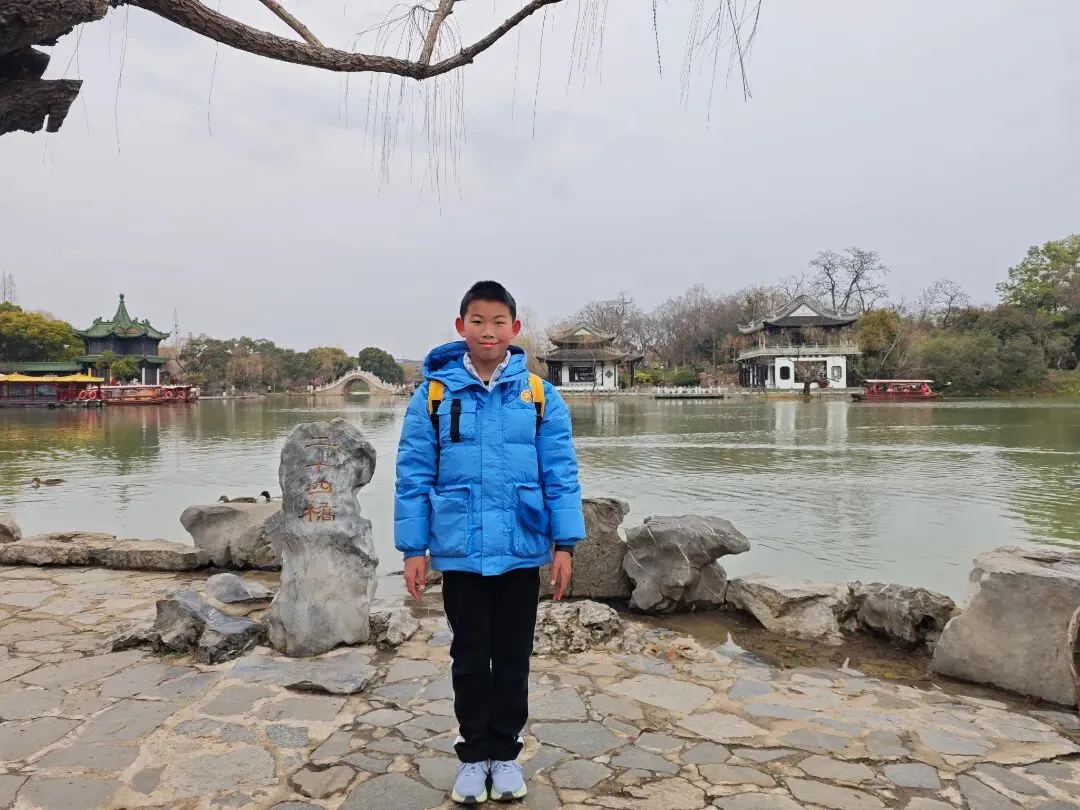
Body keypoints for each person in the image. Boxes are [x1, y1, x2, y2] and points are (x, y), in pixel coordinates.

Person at [394, 280, 585, 805]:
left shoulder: (540, 396)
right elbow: (413, 475)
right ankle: (473, 755)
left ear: (514, 329)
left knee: (514, 659)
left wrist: (565, 544)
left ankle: (505, 754)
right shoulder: (434, 395)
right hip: (461, 551)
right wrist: (413, 550)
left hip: (522, 548)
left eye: (499, 322)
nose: (488, 331)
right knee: (470, 658)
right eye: (477, 321)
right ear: (461, 326)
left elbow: (561, 474)